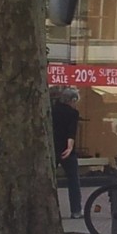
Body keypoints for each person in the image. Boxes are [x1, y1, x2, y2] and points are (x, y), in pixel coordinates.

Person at [51, 87, 83, 219]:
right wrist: (69, 148)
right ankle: (75, 210)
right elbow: (71, 131)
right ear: (72, 100)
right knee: (73, 179)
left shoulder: (52, 110)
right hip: (66, 149)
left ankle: (50, 211)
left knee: (49, 180)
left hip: (52, 148)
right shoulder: (72, 113)